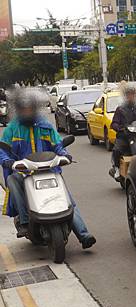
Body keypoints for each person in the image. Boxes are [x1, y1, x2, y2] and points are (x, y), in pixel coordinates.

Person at [0, 88, 96, 248]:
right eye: (24, 108)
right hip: (24, 173)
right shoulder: (12, 128)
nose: (27, 111)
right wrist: (9, 162)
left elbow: (57, 144)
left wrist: (65, 155)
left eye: (30, 108)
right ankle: (24, 221)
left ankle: (84, 234)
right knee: (11, 179)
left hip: (48, 171)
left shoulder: (45, 126)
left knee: (68, 200)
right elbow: (3, 150)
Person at [109, 84, 136, 178]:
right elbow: (114, 123)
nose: (131, 97)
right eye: (129, 95)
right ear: (126, 96)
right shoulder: (120, 109)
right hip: (125, 136)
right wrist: (121, 128)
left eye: (133, 95)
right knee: (117, 149)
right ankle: (117, 168)